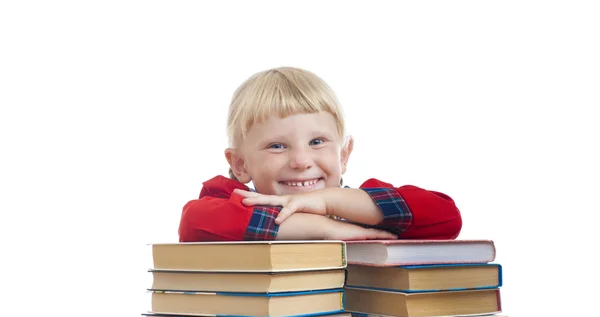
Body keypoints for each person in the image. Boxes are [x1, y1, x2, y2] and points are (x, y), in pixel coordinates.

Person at [178, 67, 462, 242]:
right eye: (277, 146)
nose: (301, 162)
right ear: (240, 164)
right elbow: (194, 221)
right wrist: (324, 228)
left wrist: (328, 202)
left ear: (344, 154)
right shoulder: (232, 203)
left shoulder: (363, 209)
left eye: (317, 141)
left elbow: (447, 218)